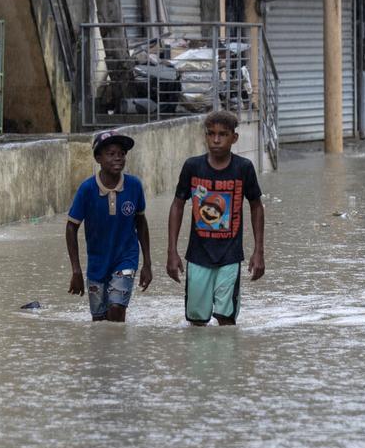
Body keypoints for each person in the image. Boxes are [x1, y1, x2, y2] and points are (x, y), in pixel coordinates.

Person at [166, 110, 265, 326]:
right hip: (198, 255)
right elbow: (177, 205)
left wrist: (258, 251)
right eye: (211, 134)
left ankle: (227, 361)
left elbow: (256, 206)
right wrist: (172, 251)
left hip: (230, 255)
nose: (216, 140)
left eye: (223, 134)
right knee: (197, 321)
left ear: (234, 138)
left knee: (225, 320)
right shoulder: (193, 167)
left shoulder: (243, 168)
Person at [66, 130, 152, 322]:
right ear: (98, 158)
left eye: (121, 154)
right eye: (111, 154)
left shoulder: (134, 186)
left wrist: (147, 263)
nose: (118, 158)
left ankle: (120, 352)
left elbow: (141, 223)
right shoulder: (87, 189)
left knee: (116, 309)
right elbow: (71, 227)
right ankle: (105, 353)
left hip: (126, 258)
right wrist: (76, 270)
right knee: (99, 319)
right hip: (97, 263)